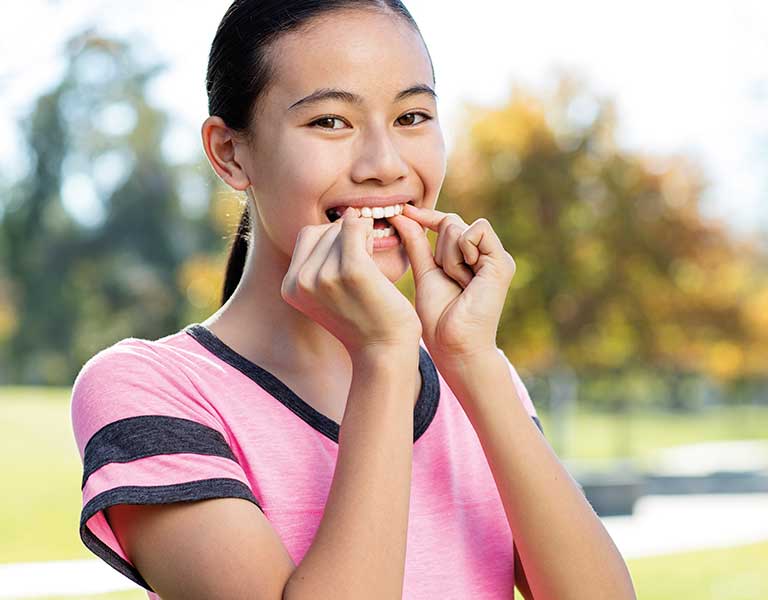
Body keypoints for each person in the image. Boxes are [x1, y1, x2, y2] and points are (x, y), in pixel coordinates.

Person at [70, 1, 637, 598]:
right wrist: (384, 359)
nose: (385, 165)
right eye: (330, 122)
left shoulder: (470, 374)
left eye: (412, 115)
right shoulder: (147, 391)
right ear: (230, 152)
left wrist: (472, 361)